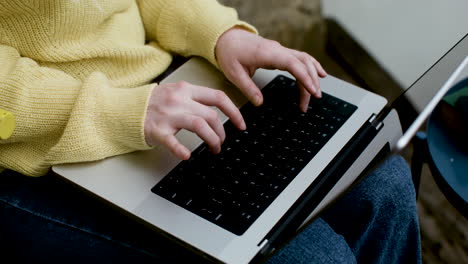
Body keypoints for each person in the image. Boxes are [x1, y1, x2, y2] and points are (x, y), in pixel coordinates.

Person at [0, 0, 421, 263]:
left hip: (158, 91)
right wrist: (125, 112)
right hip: (35, 156)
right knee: (313, 257)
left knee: (385, 183)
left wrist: (221, 35)